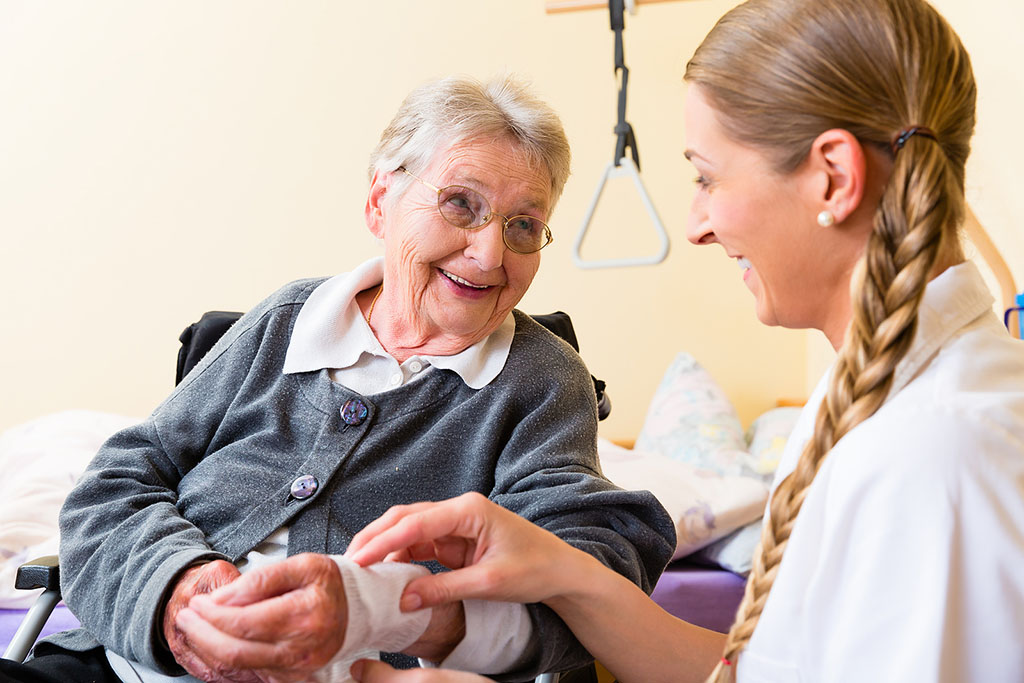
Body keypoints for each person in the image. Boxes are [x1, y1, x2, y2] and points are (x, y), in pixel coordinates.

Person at [343, 0, 1024, 681]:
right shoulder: (876, 399)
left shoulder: (937, 454)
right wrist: (566, 573)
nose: (696, 224)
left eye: (707, 176)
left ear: (834, 178)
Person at [0, 75, 676, 683]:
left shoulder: (541, 379)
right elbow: (118, 482)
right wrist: (178, 590)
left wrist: (378, 612)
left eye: (524, 225)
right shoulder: (288, 320)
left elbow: (590, 570)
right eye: (461, 205)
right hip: (129, 664)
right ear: (382, 201)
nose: (490, 252)